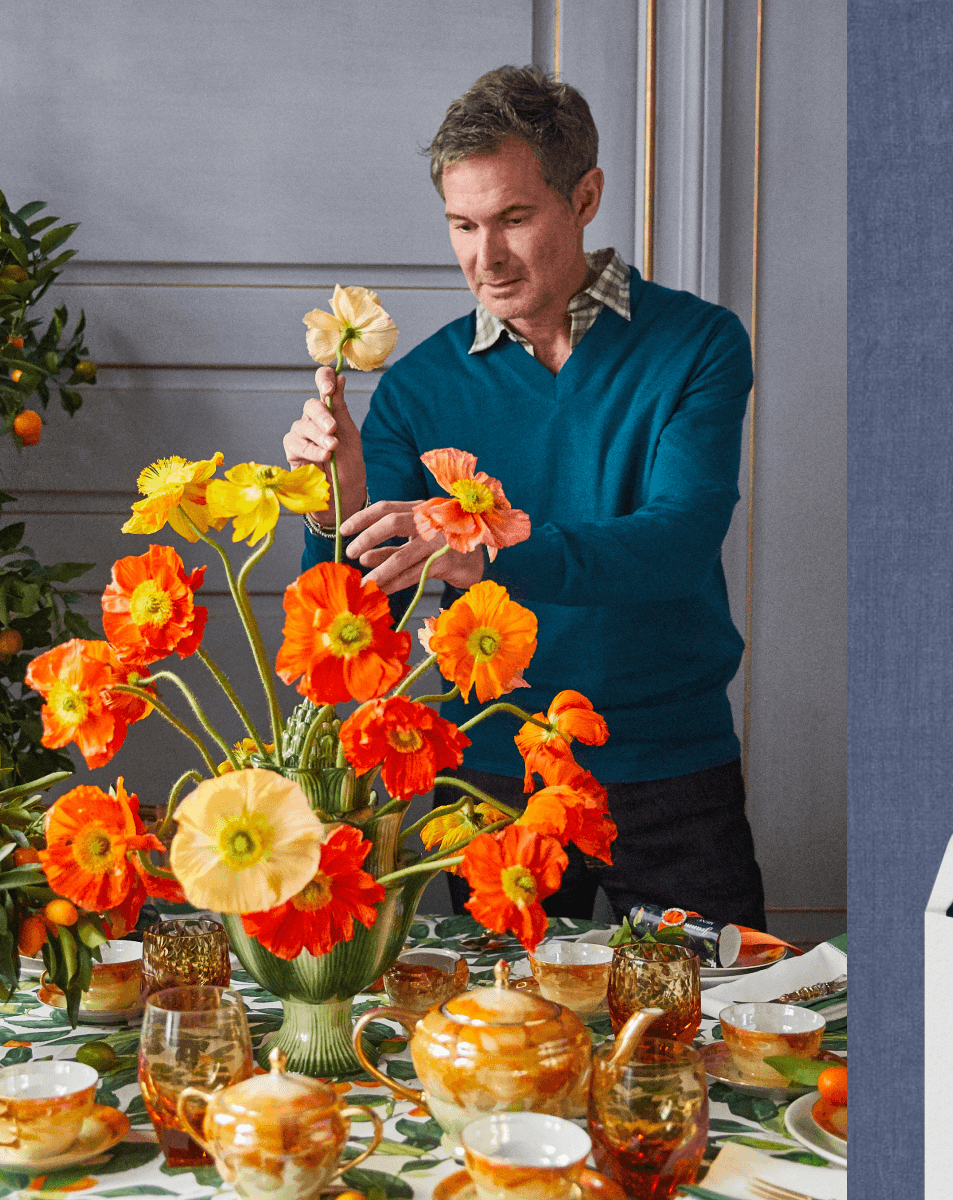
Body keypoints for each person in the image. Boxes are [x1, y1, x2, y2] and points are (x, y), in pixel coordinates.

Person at [282, 65, 766, 930]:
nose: (485, 257)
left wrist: (488, 549)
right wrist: (335, 501)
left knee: (714, 1034)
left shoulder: (699, 344)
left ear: (584, 197)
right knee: (498, 1050)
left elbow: (678, 540)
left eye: (513, 217)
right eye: (462, 225)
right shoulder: (418, 387)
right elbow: (357, 632)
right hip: (488, 779)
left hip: (669, 767)